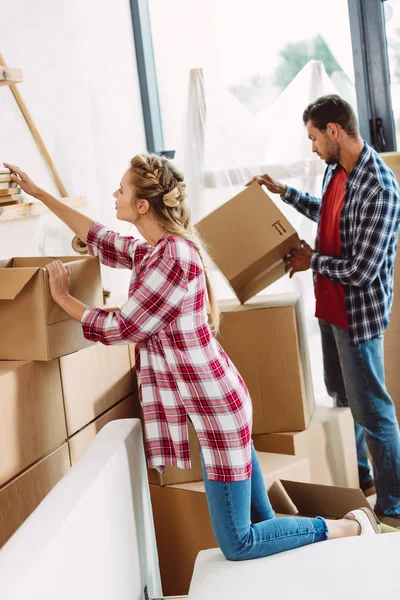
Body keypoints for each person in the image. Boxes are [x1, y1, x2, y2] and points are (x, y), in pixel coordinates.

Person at [4, 153, 380, 561]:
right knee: (263, 518)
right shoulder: (155, 251)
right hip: (219, 403)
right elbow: (98, 236)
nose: (114, 194)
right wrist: (39, 193)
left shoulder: (173, 258)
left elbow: (123, 328)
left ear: (143, 205)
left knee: (240, 542)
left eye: (122, 189)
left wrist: (65, 300)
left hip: (219, 410)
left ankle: (350, 525)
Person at [247, 94, 400, 529]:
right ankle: (363, 477)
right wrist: (285, 193)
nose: (312, 148)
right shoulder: (338, 171)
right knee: (340, 395)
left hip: (359, 315)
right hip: (331, 308)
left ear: (334, 131)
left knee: (373, 409)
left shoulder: (381, 189)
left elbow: (362, 270)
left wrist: (309, 260)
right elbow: (328, 217)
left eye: (314, 137)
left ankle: (394, 503)